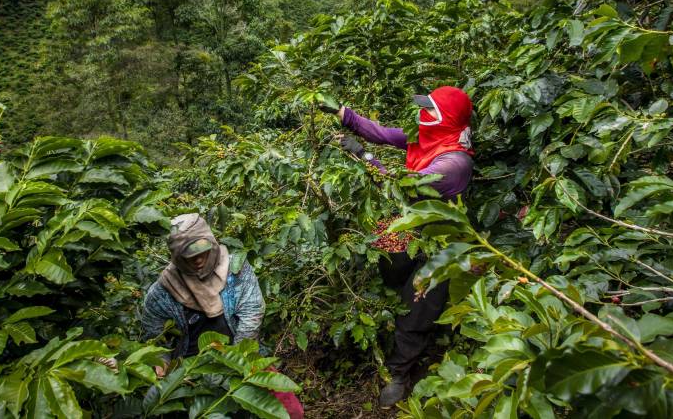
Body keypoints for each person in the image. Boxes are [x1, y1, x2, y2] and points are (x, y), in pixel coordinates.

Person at [325, 86, 474, 408]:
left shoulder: (454, 162)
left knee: (419, 298)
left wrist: (361, 155)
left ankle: (400, 371)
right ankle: (396, 293)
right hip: (410, 227)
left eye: (429, 110)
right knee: (388, 259)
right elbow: (380, 133)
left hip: (441, 241)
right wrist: (341, 113)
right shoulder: (427, 138)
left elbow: (402, 188)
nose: (423, 114)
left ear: (445, 118)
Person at [141, 213, 304, 419]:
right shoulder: (162, 292)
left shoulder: (235, 269)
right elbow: (156, 340)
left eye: (202, 252)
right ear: (176, 257)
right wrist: (162, 369)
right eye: (189, 256)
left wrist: (238, 362)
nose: (198, 260)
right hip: (191, 370)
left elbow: (252, 312)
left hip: (240, 357)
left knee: (291, 411)